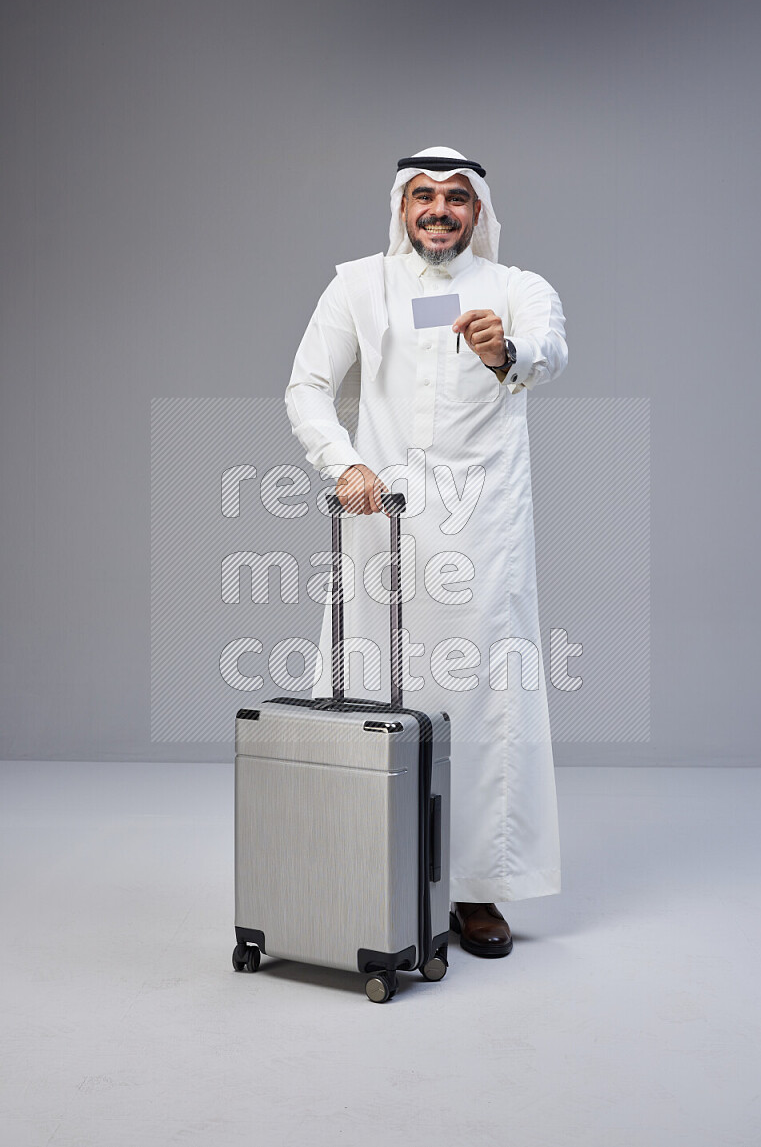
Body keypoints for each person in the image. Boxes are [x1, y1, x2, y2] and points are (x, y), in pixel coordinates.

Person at [285, 146, 567, 958]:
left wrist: (502, 352)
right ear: (402, 207)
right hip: (384, 516)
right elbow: (306, 385)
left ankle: (476, 889)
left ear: (477, 210)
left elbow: (551, 353)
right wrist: (346, 464)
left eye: (455, 197)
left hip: (484, 524)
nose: (438, 210)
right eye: (423, 196)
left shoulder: (517, 290)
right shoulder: (358, 284)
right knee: (371, 681)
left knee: (483, 698)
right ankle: (366, 867)